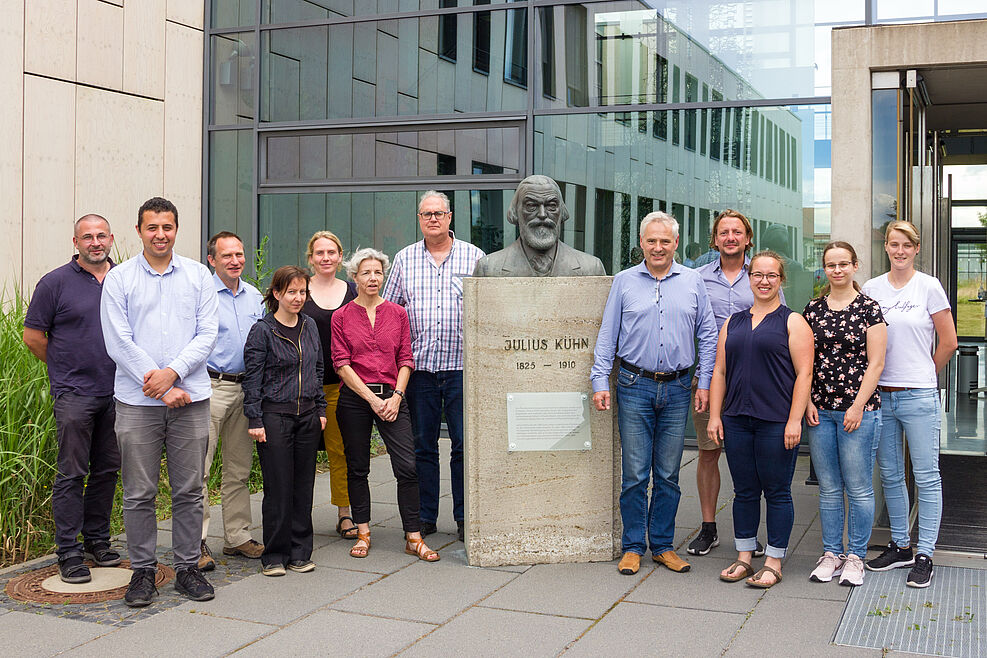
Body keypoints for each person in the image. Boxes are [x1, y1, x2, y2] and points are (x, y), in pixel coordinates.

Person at [100, 197, 218, 606]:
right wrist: (161, 385)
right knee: (138, 492)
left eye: (166, 227)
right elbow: (118, 341)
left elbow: (207, 334)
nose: (160, 235)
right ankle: (143, 572)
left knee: (190, 489)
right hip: (136, 402)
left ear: (176, 229)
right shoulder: (120, 279)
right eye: (152, 227)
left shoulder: (199, 276)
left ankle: (187, 568)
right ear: (139, 231)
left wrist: (174, 373)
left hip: (191, 400)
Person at [591, 211, 717, 576]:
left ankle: (661, 545)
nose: (658, 247)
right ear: (642, 244)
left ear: (675, 243)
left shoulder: (693, 281)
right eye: (651, 241)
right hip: (633, 385)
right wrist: (600, 380)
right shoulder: (624, 282)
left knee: (668, 473)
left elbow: (708, 336)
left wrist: (704, 382)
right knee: (634, 474)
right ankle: (633, 546)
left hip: (678, 388)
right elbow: (607, 334)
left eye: (665, 241)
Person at [24, 214, 121, 584]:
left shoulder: (124, 278)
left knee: (107, 470)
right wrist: (65, 366)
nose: (95, 242)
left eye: (101, 236)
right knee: (71, 472)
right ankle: (68, 551)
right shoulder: (55, 283)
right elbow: (33, 336)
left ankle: (98, 539)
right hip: (75, 395)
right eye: (87, 237)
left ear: (111, 238)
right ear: (75, 242)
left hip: (119, 393)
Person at [707, 251, 813, 588]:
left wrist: (795, 420)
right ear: (749, 279)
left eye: (771, 275)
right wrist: (714, 415)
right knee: (744, 491)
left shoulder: (792, 321)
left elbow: (804, 373)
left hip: (776, 421)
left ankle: (774, 560)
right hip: (738, 419)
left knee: (778, 491)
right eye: (758, 275)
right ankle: (743, 557)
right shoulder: (733, 321)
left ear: (781, 280)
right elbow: (720, 370)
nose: (764, 281)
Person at [383, 191, 484, 541]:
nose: (433, 220)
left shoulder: (475, 258)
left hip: (461, 370)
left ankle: (462, 517)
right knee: (422, 445)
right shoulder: (404, 259)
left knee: (462, 445)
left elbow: (489, 311)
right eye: (426, 214)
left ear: (451, 216)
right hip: (419, 370)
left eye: (438, 213)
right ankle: (425, 516)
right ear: (419, 219)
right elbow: (391, 312)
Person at [862, 220, 957, 588]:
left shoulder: (929, 286)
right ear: (885, 247)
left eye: (906, 245)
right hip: (880, 397)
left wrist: (923, 375)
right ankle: (900, 545)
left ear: (916, 249)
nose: (899, 251)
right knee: (890, 474)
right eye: (893, 244)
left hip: (918, 396)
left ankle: (925, 554)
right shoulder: (872, 288)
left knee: (926, 475)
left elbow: (948, 341)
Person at [332, 248, 439, 562]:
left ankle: (413, 536)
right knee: (357, 467)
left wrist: (397, 397)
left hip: (393, 396)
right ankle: (363, 532)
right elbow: (341, 363)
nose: (372, 278)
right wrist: (371, 399)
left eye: (377, 272)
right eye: (366, 273)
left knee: (407, 466)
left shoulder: (398, 313)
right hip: (354, 399)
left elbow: (406, 358)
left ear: (384, 276)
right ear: (354, 277)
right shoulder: (341, 316)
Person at [689, 210, 783, 557]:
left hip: (756, 383)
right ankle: (709, 527)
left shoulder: (761, 276)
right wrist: (700, 379)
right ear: (715, 240)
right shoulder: (696, 279)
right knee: (708, 453)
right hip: (710, 379)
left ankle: (749, 535)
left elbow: (780, 326)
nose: (730, 237)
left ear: (748, 239)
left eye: (737, 232)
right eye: (723, 232)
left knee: (754, 460)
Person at [804, 241, 886, 587]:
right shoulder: (813, 309)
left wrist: (856, 405)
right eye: (831, 265)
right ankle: (831, 554)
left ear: (855, 266)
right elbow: (804, 361)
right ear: (824, 269)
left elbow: (877, 363)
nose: (837, 270)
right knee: (829, 488)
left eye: (843, 264)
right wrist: (807, 401)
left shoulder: (869, 308)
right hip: (820, 411)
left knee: (859, 488)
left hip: (859, 412)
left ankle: (855, 557)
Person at [243, 266, 326, 577]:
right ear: (276, 294)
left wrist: (320, 409)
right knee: (278, 486)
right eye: (291, 292)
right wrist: (255, 418)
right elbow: (252, 380)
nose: (298, 297)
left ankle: (300, 551)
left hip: (307, 415)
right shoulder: (263, 331)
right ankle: (274, 554)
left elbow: (318, 369)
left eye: (302, 292)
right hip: (274, 416)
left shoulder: (310, 326)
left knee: (303, 486)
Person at [197, 231, 266, 571]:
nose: (235, 261)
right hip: (209, 387)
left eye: (239, 254)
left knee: (239, 470)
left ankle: (237, 537)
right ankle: (195, 543)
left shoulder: (255, 296)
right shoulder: (201, 294)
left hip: (246, 390)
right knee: (199, 471)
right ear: (212, 260)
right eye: (227, 256)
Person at [303, 231, 358, 540]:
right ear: (310, 258)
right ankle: (300, 513)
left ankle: (344, 512)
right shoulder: (299, 289)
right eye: (319, 252)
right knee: (303, 453)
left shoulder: (352, 290)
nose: (325, 257)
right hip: (303, 388)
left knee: (340, 452)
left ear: (340, 256)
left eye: (331, 252)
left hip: (340, 386)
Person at [473, 175, 606, 277]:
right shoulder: (488, 269)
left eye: (552, 206)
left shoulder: (592, 268)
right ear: (515, 212)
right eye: (531, 205)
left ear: (562, 212)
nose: (542, 214)